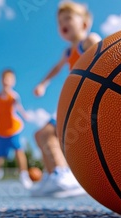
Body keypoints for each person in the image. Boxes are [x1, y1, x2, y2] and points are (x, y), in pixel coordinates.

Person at [32, 1, 101, 198]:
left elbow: (106, 57)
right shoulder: (68, 52)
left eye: (69, 18)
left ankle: (63, 174)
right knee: (40, 135)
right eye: (60, 20)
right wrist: (43, 83)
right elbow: (56, 68)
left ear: (85, 24)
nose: (63, 22)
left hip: (87, 100)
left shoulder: (89, 41)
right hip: (74, 99)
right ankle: (52, 175)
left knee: (46, 133)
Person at [0, 69, 33, 189]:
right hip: (1, 129)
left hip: (13, 129)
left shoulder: (13, 96)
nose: (6, 81)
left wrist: (24, 114)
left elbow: (18, 106)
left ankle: (23, 174)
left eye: (9, 79)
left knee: (18, 150)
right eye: (4, 78)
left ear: (13, 82)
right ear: (1, 80)